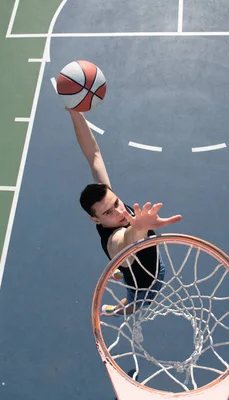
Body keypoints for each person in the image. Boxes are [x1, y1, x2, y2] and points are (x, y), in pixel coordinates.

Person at [68, 109, 182, 316]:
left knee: (124, 266)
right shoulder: (114, 241)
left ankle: (120, 272)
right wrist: (138, 227)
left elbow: (93, 154)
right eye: (108, 213)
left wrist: (75, 113)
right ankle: (117, 310)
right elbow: (127, 240)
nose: (119, 211)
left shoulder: (108, 199)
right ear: (95, 219)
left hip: (143, 263)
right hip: (146, 283)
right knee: (134, 303)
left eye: (117, 203)